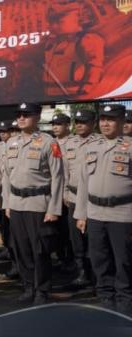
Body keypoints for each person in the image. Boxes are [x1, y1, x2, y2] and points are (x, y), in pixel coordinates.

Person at [2, 103, 64, 305]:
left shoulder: (48, 142)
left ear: (37, 117)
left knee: (40, 251)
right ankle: (28, 287)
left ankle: (42, 291)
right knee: (22, 250)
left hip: (38, 204)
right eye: (19, 115)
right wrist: (7, 203)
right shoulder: (12, 142)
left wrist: (54, 208)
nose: (21, 118)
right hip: (17, 203)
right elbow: (6, 176)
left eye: (26, 115)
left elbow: (58, 177)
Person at [74, 104, 132, 315]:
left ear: (122, 121)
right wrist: (81, 215)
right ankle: (106, 300)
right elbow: (82, 183)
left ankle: (125, 303)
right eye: (103, 119)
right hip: (95, 213)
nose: (105, 123)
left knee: (124, 261)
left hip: (123, 213)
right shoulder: (91, 147)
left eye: (111, 119)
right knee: (99, 259)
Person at [62, 109, 98, 290]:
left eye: (84, 122)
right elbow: (64, 171)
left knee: (92, 239)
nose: (80, 125)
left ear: (93, 123)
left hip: (92, 199)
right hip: (73, 198)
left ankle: (95, 275)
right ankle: (81, 272)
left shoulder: (99, 143)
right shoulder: (70, 143)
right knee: (76, 238)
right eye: (77, 122)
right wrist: (64, 193)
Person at [0, 120, 19, 280]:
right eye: (1, 131)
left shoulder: (16, 146)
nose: (3, 134)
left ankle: (16, 262)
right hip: (1, 194)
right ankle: (8, 250)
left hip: (14, 196)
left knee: (14, 232)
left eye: (7, 131)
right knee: (4, 228)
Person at [50, 113, 75, 273]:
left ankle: (71, 260)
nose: (55, 127)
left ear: (67, 125)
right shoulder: (50, 143)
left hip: (68, 195)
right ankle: (60, 257)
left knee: (69, 231)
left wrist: (66, 191)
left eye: (59, 124)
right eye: (54, 124)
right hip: (53, 194)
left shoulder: (74, 143)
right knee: (56, 230)